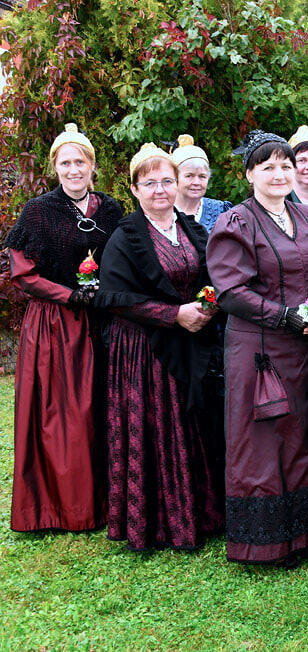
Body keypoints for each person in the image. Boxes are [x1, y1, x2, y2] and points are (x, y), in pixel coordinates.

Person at [206, 130, 308, 566]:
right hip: (257, 349)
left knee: (301, 435)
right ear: (250, 174)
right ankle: (265, 542)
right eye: (268, 167)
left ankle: (302, 533)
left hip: (305, 346)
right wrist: (286, 316)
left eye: (286, 165)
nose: (280, 174)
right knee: (264, 442)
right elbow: (231, 291)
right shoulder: (236, 223)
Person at [97, 143, 223, 550]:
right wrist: (173, 315)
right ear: (134, 189)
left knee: (190, 424)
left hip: (190, 340)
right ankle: (156, 524)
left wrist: (206, 306)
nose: (160, 190)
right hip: (143, 349)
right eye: (149, 183)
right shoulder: (125, 237)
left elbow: (210, 277)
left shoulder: (191, 229)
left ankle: (197, 513)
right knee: (156, 427)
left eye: (167, 181)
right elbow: (116, 298)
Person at [4, 123, 123, 533]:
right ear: (55, 167)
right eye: (66, 163)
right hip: (55, 324)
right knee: (66, 415)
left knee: (103, 407)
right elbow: (24, 274)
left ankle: (110, 499)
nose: (74, 170)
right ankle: (67, 507)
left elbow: (124, 258)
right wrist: (70, 295)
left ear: (92, 166)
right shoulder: (38, 211)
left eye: (81, 162)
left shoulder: (110, 210)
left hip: (103, 318)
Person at [171, 134, 233, 233]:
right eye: (189, 176)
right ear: (174, 177)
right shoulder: (161, 212)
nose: (196, 182)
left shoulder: (222, 211)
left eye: (202, 176)